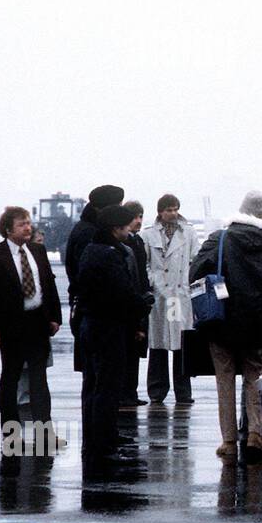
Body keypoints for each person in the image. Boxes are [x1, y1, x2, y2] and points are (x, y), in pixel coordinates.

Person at [190, 191, 262, 465]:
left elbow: (195, 272)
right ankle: (256, 433)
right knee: (257, 377)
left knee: (225, 379)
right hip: (256, 322)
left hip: (221, 319)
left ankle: (228, 441)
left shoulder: (220, 239)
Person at [0, 206, 63, 451]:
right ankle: (10, 435)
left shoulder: (37, 250)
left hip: (37, 322)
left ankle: (45, 433)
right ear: (8, 229)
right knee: (11, 378)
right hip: (10, 325)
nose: (28, 227)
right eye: (22, 224)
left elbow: (48, 284)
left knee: (39, 379)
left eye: (28, 223)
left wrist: (54, 317)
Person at [75, 204, 150, 466]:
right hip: (108, 327)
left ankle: (98, 439)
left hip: (92, 325)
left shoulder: (91, 250)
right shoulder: (109, 255)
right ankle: (104, 443)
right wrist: (143, 304)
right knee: (107, 388)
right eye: (126, 225)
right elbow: (122, 292)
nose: (130, 229)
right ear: (115, 228)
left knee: (95, 386)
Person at [141, 194, 199, 406]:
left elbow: (196, 259)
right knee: (158, 343)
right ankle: (157, 389)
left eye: (175, 209)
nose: (173, 213)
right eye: (168, 210)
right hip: (159, 295)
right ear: (160, 211)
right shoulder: (148, 235)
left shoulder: (189, 233)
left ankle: (183, 391)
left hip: (179, 294)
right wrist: (153, 280)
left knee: (180, 342)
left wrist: (188, 283)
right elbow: (144, 262)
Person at [65, 184, 124, 376]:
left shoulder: (85, 228)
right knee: (97, 374)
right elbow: (87, 274)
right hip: (94, 311)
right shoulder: (89, 234)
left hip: (89, 308)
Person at [118, 201, 151, 411]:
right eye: (134, 216)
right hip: (129, 302)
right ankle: (125, 392)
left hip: (139, 300)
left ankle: (131, 390)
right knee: (127, 349)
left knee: (135, 350)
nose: (138, 221)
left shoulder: (137, 242)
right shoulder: (126, 244)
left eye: (141, 216)